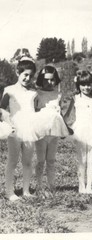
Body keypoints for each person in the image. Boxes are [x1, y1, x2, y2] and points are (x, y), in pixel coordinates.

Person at [0, 57, 39, 201]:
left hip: (29, 128)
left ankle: (26, 190)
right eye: (25, 74)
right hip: (15, 128)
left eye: (30, 75)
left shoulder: (33, 93)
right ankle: (9, 192)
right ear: (18, 72)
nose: (28, 78)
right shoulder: (9, 90)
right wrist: (8, 123)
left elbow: (36, 110)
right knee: (12, 160)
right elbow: (2, 109)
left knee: (28, 161)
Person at [34, 65, 71, 193]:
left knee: (51, 159)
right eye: (46, 79)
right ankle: (39, 186)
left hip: (54, 132)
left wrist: (65, 128)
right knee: (40, 160)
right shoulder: (37, 94)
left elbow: (59, 114)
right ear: (41, 80)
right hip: (41, 132)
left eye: (52, 80)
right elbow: (33, 112)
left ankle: (51, 185)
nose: (49, 82)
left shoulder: (58, 95)